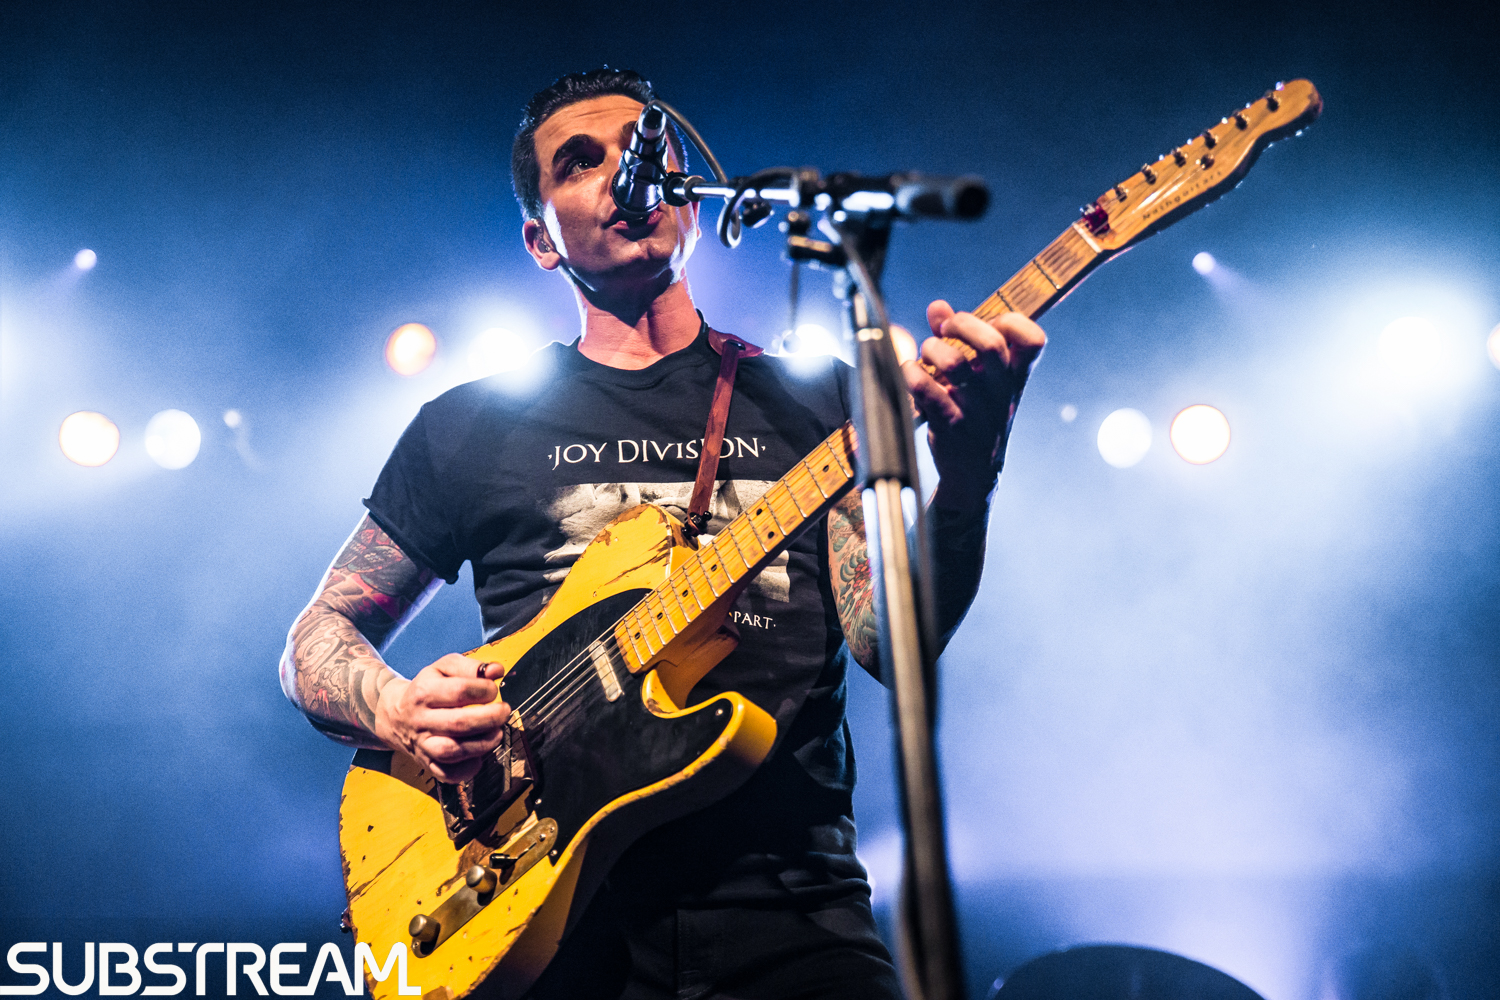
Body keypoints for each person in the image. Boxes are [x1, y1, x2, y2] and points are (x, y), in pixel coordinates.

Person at [280, 68, 1045, 1000]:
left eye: (645, 152)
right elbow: (316, 639)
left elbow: (893, 641)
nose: (623, 173)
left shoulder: (823, 403)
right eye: (579, 162)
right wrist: (399, 707)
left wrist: (965, 483)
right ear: (540, 241)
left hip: (793, 910)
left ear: (687, 197)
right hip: (543, 909)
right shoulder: (468, 426)